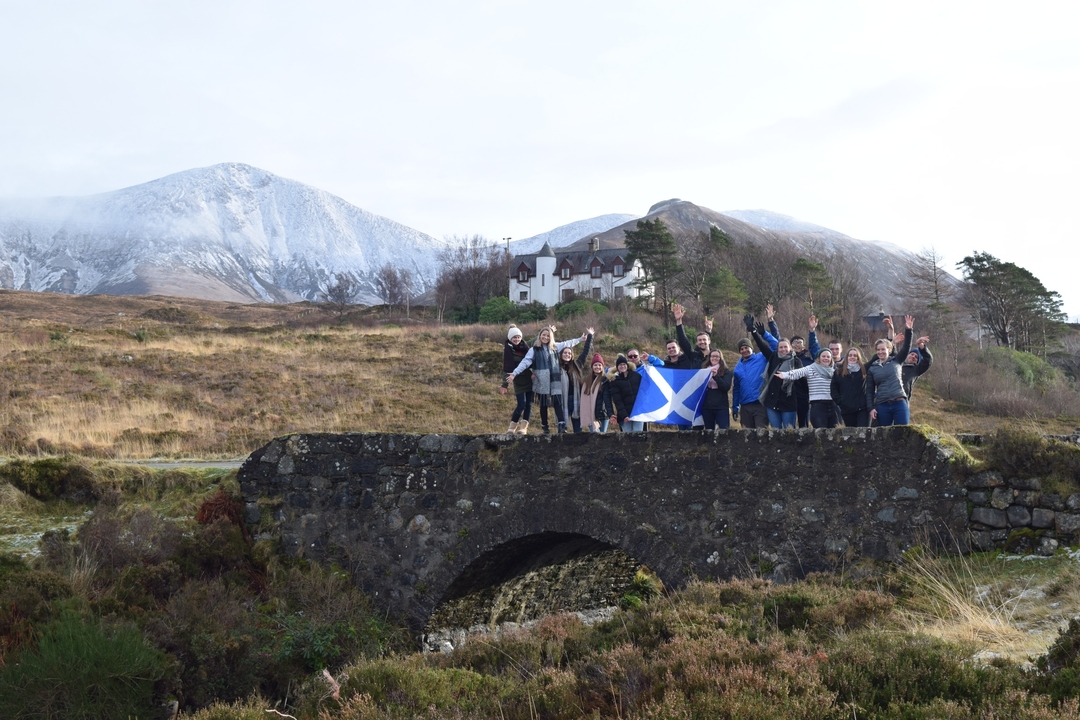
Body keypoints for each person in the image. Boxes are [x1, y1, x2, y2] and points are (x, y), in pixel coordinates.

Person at [506, 325, 585, 434]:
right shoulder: (534, 350)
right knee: (543, 404)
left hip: (555, 379)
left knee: (557, 401)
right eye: (544, 335)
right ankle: (545, 426)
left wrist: (580, 339)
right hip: (541, 380)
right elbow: (525, 362)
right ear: (540, 336)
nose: (545, 337)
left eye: (548, 336)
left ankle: (562, 425)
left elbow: (568, 343)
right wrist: (515, 373)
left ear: (551, 337)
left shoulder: (555, 347)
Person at [866, 315, 915, 426]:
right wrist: (871, 408)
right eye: (878, 350)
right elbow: (869, 391)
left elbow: (907, 346)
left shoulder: (897, 360)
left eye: (883, 349)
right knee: (884, 435)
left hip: (899, 402)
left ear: (889, 349)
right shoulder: (873, 368)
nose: (880, 352)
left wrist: (908, 330)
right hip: (882, 405)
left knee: (902, 431)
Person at [731, 314, 774, 429]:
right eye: (742, 349)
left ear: (751, 348)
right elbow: (736, 389)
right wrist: (735, 407)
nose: (744, 350)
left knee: (761, 433)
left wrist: (759, 333)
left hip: (760, 403)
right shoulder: (737, 368)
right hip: (745, 406)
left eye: (746, 347)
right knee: (747, 436)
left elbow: (775, 347)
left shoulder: (762, 357)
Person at [775, 349, 836, 428]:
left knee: (835, 433)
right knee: (821, 433)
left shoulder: (834, 372)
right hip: (818, 405)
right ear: (818, 358)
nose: (826, 358)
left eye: (828, 357)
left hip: (833, 405)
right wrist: (785, 374)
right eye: (823, 356)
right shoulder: (811, 368)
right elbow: (798, 372)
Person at [755, 328, 803, 429]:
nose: (783, 349)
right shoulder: (773, 358)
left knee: (789, 432)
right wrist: (754, 332)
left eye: (785, 347)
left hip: (788, 402)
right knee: (775, 431)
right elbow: (762, 346)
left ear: (790, 348)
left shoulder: (796, 361)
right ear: (777, 348)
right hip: (772, 401)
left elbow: (801, 380)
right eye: (781, 347)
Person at [557, 328, 594, 433]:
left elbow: (586, 351)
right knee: (562, 430)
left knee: (578, 430)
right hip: (562, 400)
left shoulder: (577, 365)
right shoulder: (556, 367)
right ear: (561, 354)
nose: (567, 355)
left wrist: (590, 336)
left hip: (576, 399)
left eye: (569, 353)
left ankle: (578, 448)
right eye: (565, 352)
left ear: (572, 355)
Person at [500, 326, 534, 434]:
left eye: (518, 337)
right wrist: (504, 385)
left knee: (529, 404)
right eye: (514, 337)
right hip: (518, 380)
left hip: (529, 379)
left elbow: (537, 340)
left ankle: (523, 428)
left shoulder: (525, 346)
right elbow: (507, 368)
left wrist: (549, 330)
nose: (517, 339)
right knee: (521, 404)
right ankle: (511, 428)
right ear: (510, 338)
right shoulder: (507, 350)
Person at [832, 347, 870, 427]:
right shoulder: (839, 371)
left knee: (863, 433)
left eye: (855, 355)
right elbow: (833, 389)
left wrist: (892, 342)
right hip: (847, 410)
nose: (852, 357)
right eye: (850, 355)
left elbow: (875, 358)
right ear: (846, 357)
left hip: (863, 409)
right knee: (851, 435)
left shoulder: (864, 369)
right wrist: (840, 402)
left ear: (858, 358)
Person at [608, 354, 643, 432]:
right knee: (627, 440)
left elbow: (643, 392)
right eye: (620, 365)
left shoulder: (636, 376)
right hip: (624, 416)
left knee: (638, 437)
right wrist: (624, 415)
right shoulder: (614, 381)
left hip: (637, 413)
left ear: (627, 365)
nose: (622, 366)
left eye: (624, 364)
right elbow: (617, 401)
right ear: (617, 367)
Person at [700, 349, 733, 430]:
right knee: (709, 431)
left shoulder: (726, 372)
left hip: (721, 406)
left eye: (717, 356)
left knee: (724, 431)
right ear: (709, 358)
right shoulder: (703, 371)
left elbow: (726, 387)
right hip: (707, 406)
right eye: (712, 356)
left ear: (721, 358)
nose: (714, 358)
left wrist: (716, 376)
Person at [580, 353, 612, 433]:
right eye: (595, 365)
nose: (597, 367)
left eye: (599, 365)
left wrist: (610, 413)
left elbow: (607, 398)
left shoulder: (605, 380)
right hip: (591, 415)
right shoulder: (587, 381)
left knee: (603, 438)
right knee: (595, 436)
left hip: (603, 415)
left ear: (602, 367)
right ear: (592, 367)